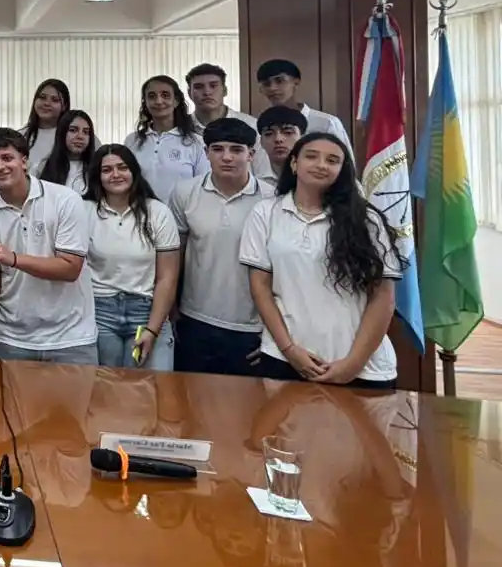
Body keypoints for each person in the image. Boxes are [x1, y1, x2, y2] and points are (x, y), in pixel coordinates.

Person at [240, 133, 404, 389]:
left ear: (342, 170)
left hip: (362, 367)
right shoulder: (266, 213)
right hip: (286, 358)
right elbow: (260, 288)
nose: (321, 165)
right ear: (294, 164)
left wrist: (353, 363)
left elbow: (383, 297)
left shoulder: (366, 220)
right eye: (311, 156)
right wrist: (289, 349)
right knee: (284, 431)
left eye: (332, 160)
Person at [0, 128, 96, 364]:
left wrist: (14, 258)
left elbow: (70, 269)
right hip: (10, 339)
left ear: (24, 162)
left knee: (75, 403)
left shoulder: (65, 200)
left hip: (70, 339)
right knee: (5, 403)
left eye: (7, 158)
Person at [168, 119, 274, 376]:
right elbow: (174, 257)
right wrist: (171, 310)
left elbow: (285, 268)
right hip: (194, 320)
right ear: (206, 153)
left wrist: (274, 335)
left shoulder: (273, 199)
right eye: (217, 149)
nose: (227, 157)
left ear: (251, 154)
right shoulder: (184, 193)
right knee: (193, 407)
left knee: (249, 411)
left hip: (254, 327)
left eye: (236, 150)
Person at [83, 144, 181, 370]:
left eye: (122, 167)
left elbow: (167, 278)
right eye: (106, 170)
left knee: (152, 392)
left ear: (134, 172)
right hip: (100, 312)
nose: (115, 174)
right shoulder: (83, 209)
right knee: (107, 394)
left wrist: (152, 329)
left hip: (147, 311)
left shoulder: (157, 212)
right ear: (97, 177)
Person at [124, 75, 208, 203]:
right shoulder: (132, 141)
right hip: (140, 217)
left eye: (165, 95)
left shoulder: (196, 142)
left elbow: (204, 188)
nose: (158, 101)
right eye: (151, 96)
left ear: (176, 101)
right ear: (145, 103)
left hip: (182, 220)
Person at [255, 59, 354, 157]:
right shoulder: (261, 127)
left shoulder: (326, 123)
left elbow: (347, 163)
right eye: (266, 84)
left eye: (279, 81)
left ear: (296, 82)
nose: (273, 88)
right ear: (261, 90)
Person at [185, 64, 257, 131]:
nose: (207, 92)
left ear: (225, 91)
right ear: (189, 93)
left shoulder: (250, 125)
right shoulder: (178, 128)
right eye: (198, 87)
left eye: (213, 86)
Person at [40, 109, 96, 194]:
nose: (80, 136)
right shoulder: (44, 166)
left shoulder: (97, 167)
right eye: (73, 130)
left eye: (85, 132)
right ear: (62, 133)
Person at [20, 79, 70, 174]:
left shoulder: (74, 136)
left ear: (64, 106)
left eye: (55, 100)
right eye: (42, 97)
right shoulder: (21, 136)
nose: (46, 103)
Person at [255, 105, 307, 186]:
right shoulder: (256, 185)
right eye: (269, 134)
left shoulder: (315, 180)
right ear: (261, 142)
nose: (278, 139)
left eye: (288, 132)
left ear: (303, 138)